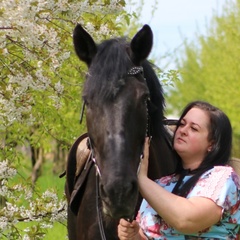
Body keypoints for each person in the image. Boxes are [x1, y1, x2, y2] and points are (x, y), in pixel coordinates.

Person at [118, 100, 240, 240]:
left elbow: (185, 220)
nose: (182, 130)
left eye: (193, 128)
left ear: (212, 144)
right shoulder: (160, 184)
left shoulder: (223, 178)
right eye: (182, 124)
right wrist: (134, 236)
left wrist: (142, 179)